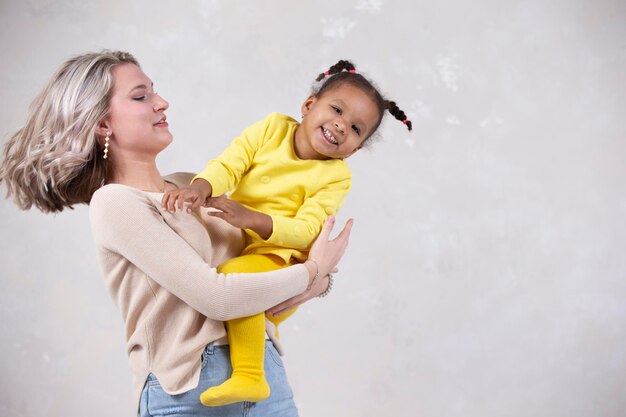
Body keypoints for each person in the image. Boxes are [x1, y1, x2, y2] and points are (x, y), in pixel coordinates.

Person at [0, 50, 353, 417]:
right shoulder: (116, 203)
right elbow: (218, 298)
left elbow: (258, 265)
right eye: (141, 96)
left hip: (265, 380)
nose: (161, 102)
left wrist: (318, 279)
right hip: (187, 392)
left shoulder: (192, 186)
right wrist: (312, 272)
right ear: (103, 124)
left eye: (155, 91)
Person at [162, 59, 412, 407]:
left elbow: (308, 230)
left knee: (237, 280)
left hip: (283, 258)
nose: (341, 126)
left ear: (355, 150)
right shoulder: (272, 128)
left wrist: (253, 218)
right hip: (244, 244)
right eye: (336, 109)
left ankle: (250, 376)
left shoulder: (336, 176)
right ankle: (253, 345)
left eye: (356, 129)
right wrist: (202, 187)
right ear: (309, 105)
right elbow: (232, 161)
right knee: (240, 290)